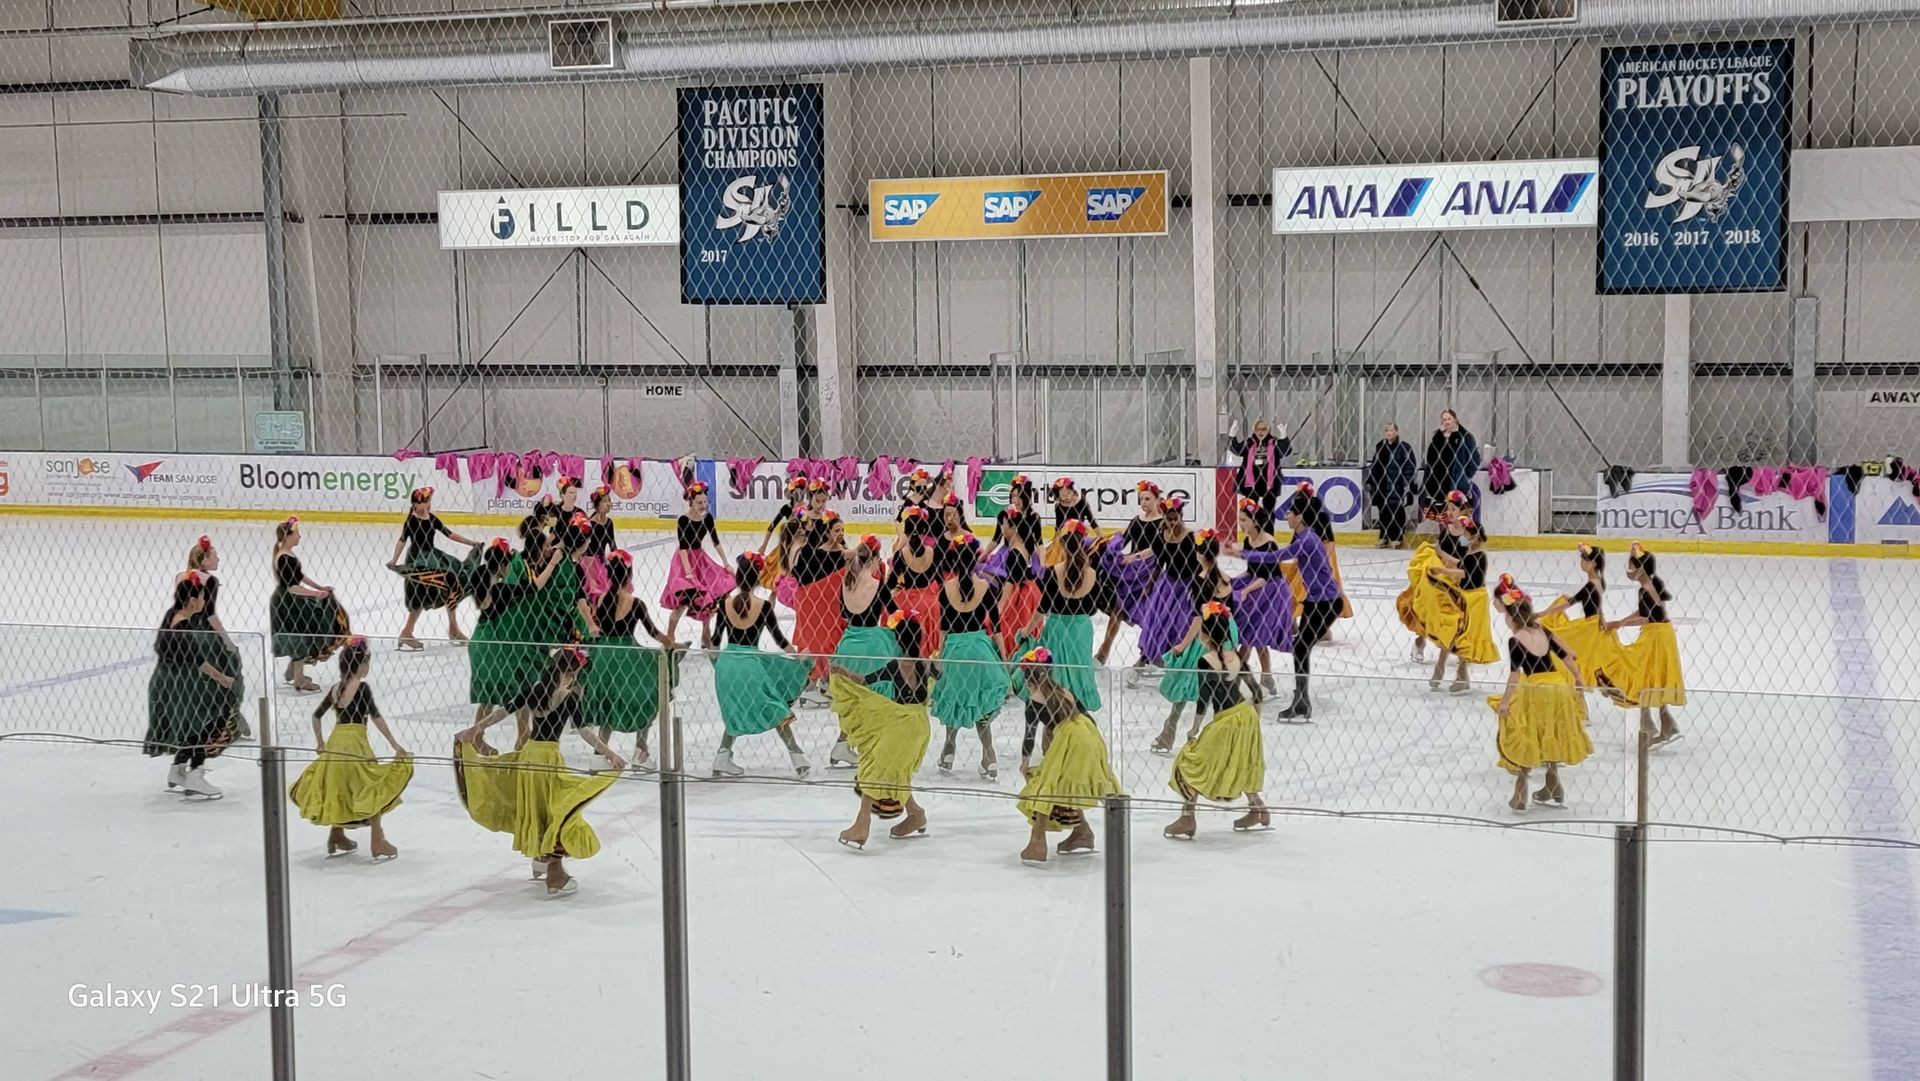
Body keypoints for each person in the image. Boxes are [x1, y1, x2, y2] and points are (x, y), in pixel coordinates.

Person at [455, 647, 626, 898]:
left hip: (528, 755)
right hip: (548, 757)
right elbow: (584, 731)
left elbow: (504, 711)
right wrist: (609, 753)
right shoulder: (569, 697)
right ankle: (555, 874)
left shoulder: (536, 690)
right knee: (556, 810)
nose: (576, 677)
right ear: (569, 672)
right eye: (575, 672)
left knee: (536, 807)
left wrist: (476, 729)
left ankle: (541, 858)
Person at [289, 637, 412, 860]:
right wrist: (394, 744)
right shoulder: (362, 688)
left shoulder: (336, 688)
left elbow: (317, 716)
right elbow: (376, 717)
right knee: (370, 786)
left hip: (337, 739)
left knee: (340, 786)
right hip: (356, 741)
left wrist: (321, 743)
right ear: (362, 665)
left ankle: (337, 835)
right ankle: (378, 839)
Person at [829, 611, 936, 849]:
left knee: (872, 767)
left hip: (899, 723)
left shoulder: (895, 664)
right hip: (920, 725)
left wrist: (840, 673)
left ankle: (861, 824)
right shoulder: (927, 665)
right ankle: (915, 813)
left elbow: (863, 681)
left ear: (897, 640)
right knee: (894, 770)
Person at [1163, 603, 1270, 838]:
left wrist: (1194, 729)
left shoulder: (1205, 661)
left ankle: (1187, 818)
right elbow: (1257, 693)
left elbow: (1204, 699)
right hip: (1246, 715)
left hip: (1226, 720)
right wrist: (1254, 722)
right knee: (1241, 761)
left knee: (1188, 762)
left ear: (1205, 635)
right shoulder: (1237, 658)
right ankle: (1258, 808)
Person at [1238, 495, 1349, 721]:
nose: (1286, 515)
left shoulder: (1307, 539)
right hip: (1314, 600)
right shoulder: (1301, 535)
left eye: (1290, 512)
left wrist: (1242, 553)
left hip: (1327, 602)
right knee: (1300, 647)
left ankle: (1301, 701)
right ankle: (1301, 700)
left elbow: (1279, 556)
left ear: (1299, 517)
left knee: (1300, 647)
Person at [710, 553, 814, 778]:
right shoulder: (763, 605)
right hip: (750, 665)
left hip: (727, 664)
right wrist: (798, 658)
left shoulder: (723, 603)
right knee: (775, 707)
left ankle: (722, 755)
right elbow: (779, 639)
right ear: (758, 578)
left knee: (735, 711)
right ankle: (797, 756)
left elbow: (715, 641)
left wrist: (717, 665)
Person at [1489, 585, 1592, 812]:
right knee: (1551, 732)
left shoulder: (1516, 640)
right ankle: (1552, 785)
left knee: (1529, 733)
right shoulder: (1543, 631)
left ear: (1512, 618)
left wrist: (1505, 701)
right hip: (1558, 687)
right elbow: (1565, 656)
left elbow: (1515, 675)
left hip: (1536, 690)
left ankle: (1520, 790)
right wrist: (1577, 678)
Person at [1015, 650, 1122, 865]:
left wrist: (1025, 763)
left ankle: (1037, 842)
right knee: (1065, 784)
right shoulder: (1063, 691)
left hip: (1069, 739)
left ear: (1027, 678)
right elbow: (1085, 715)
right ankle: (1082, 831)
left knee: (1044, 783)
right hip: (1088, 734)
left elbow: (1029, 736)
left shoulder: (1035, 700)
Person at [583, 549, 679, 771]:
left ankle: (599, 753)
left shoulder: (602, 599)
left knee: (608, 701)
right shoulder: (636, 604)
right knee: (648, 695)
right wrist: (670, 643)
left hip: (605, 656)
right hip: (627, 656)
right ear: (629, 576)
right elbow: (653, 632)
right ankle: (641, 749)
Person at [144, 573, 238, 798]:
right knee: (209, 719)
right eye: (202, 598)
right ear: (191, 601)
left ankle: (178, 769)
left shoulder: (173, 615)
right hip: (180, 683)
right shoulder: (182, 627)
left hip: (171, 680)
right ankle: (195, 773)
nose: (205, 602)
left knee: (193, 724)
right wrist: (222, 678)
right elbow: (197, 660)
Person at [1150, 535, 1239, 753]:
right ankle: (1210, 734)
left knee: (1186, 680)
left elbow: (1199, 618)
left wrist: (1182, 644)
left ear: (1199, 554)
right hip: (1228, 632)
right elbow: (1232, 610)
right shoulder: (1226, 579)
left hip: (1206, 633)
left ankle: (1171, 731)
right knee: (1219, 683)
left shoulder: (1200, 580)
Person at [932, 535, 1009, 780]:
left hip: (955, 649)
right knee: (980, 703)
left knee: (956, 698)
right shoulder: (985, 587)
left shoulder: (946, 588)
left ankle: (949, 749)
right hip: (979, 648)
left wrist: (941, 656)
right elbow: (996, 627)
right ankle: (989, 755)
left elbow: (943, 629)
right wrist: (1004, 659)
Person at [1603, 545, 1686, 747]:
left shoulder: (1649, 588)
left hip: (1656, 637)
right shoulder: (1648, 585)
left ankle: (1649, 726)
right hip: (1657, 635)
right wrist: (1620, 622)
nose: (1628, 570)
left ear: (1640, 568)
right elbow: (1644, 612)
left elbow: (1647, 618)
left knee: (1644, 677)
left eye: (1631, 565)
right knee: (1651, 679)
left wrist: (1620, 623)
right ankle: (1664, 724)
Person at [1022, 518, 1105, 712]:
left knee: (1057, 670)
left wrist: (1026, 631)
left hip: (1058, 627)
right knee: (1080, 669)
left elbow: (1042, 609)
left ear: (1062, 544)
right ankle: (1079, 706)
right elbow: (1094, 607)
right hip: (1081, 629)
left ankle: (1056, 703)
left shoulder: (1053, 572)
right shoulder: (1093, 574)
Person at [388, 486, 482, 650]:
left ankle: (453, 629)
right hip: (419, 561)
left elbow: (449, 533)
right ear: (416, 505)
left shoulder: (431, 518)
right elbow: (402, 540)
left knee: (452, 584)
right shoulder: (412, 520)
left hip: (434, 558)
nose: (429, 504)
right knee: (420, 594)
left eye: (429, 501)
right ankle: (407, 631)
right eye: (425, 502)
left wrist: (471, 543)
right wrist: (394, 560)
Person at [828, 534, 895, 767]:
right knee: (875, 694)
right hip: (871, 645)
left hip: (848, 644)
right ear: (875, 558)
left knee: (851, 697)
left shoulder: (846, 583)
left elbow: (844, 614)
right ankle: (872, 743)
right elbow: (894, 614)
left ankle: (843, 742)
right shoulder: (878, 585)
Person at [272, 517, 350, 691]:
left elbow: (299, 576)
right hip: (289, 602)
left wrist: (319, 587)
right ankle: (299, 678)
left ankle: (292, 671)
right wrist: (316, 594)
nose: (300, 536)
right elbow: (291, 587)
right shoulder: (284, 558)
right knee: (302, 636)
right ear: (288, 536)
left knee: (305, 633)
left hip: (294, 599)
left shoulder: (288, 555)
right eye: (297, 533)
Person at [1423, 514, 1499, 694]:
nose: (1462, 537)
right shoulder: (1471, 554)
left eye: (1465, 533)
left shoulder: (1479, 556)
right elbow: (1460, 563)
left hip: (1474, 600)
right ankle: (1446, 671)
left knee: (1464, 636)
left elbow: (1464, 572)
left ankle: (1458, 674)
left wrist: (1442, 569)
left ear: (1473, 536)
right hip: (1466, 597)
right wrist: (1441, 554)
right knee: (1453, 632)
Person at [1539, 544, 1625, 692]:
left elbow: (1567, 605)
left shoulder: (1590, 586)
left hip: (1587, 628)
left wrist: (1542, 614)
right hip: (1594, 622)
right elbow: (1597, 604)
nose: (1582, 563)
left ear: (1593, 563)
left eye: (1585, 560)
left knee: (1557, 639)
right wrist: (1602, 617)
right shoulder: (1599, 581)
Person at [1096, 481, 1164, 666]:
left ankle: (1153, 654)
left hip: (1151, 573)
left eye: (1148, 499)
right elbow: (1124, 538)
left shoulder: (1163, 523)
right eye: (1142, 499)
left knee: (1148, 615)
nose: (1144, 502)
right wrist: (1110, 544)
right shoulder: (1136, 520)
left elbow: (1157, 548)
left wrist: (1134, 557)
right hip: (1131, 573)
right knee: (1117, 611)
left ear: (1158, 500)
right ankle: (1103, 652)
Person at [1227, 498, 1291, 695]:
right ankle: (1267, 676)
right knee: (1257, 636)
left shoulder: (1269, 543)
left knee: (1252, 635)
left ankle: (1234, 681)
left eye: (1244, 520)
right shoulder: (1248, 540)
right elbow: (1251, 571)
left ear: (1255, 521)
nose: (1241, 523)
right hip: (1256, 586)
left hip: (1271, 592)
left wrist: (1245, 591)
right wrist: (1234, 580)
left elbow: (1266, 576)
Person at [660, 482, 733, 646]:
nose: (703, 505)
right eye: (700, 502)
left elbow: (716, 541)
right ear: (691, 502)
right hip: (683, 561)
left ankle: (705, 635)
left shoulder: (707, 517)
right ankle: (669, 637)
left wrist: (726, 563)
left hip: (701, 560)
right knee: (682, 602)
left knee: (709, 598)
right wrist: (688, 573)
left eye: (705, 502)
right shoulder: (683, 520)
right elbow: (684, 547)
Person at [886, 507, 945, 656]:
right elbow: (940, 580)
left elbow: (890, 584)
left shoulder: (901, 554)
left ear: (906, 531)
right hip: (930, 604)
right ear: (924, 528)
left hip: (909, 601)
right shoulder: (933, 551)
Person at [1367, 422, 1419, 548]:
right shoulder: (1381, 446)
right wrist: (1371, 480)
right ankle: (1384, 536)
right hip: (1382, 485)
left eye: (1391, 430)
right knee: (1383, 512)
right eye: (1387, 430)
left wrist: (1406, 482)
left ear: (1397, 432)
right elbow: (1375, 465)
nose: (1389, 433)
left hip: (1398, 485)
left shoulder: (1404, 448)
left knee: (1397, 511)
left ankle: (1397, 537)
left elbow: (1409, 467)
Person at [1228, 419, 1293, 517]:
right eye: (1258, 429)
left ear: (1268, 430)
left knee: (1269, 513)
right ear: (1254, 430)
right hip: (1251, 482)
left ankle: (1267, 531)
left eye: (1264, 429)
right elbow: (1237, 450)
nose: (1261, 432)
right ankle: (1251, 530)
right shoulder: (1249, 443)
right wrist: (1232, 436)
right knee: (1249, 512)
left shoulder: (1274, 443)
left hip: (1269, 483)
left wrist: (1284, 438)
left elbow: (1285, 451)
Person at [1422, 409, 1481, 513]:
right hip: (1438, 483)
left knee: (1457, 516)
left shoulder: (1465, 437)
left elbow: (1474, 459)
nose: (1447, 422)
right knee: (1440, 517)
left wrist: (1466, 476)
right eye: (1444, 419)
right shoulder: (1438, 437)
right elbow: (1430, 458)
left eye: (1449, 419)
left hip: (1457, 482)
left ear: (1455, 419)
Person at [1043, 477, 1099, 566]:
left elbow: (1092, 521)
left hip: (1080, 534)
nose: (1066, 496)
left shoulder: (1082, 502)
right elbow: (1058, 525)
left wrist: (1100, 536)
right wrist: (1054, 541)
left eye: (1068, 493)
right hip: (1065, 536)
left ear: (1073, 491)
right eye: (1063, 494)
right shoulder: (1058, 506)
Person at [580, 484, 619, 602]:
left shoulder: (609, 522)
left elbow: (612, 545)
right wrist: (591, 577)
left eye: (609, 501)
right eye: (604, 501)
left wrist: (618, 561)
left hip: (603, 562)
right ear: (597, 505)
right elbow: (586, 552)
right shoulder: (591, 525)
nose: (608, 504)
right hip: (590, 564)